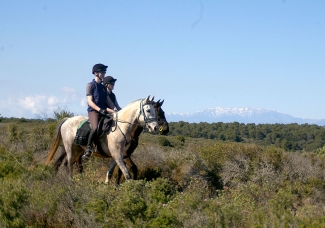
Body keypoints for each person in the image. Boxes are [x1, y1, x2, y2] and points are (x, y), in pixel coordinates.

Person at [83, 63, 116, 158]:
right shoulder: (90, 85)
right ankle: (88, 148)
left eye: (104, 72)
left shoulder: (103, 88)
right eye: (102, 72)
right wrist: (99, 110)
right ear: (95, 73)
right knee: (95, 128)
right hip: (93, 111)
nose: (104, 74)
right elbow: (90, 101)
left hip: (104, 111)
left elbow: (109, 101)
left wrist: (114, 111)